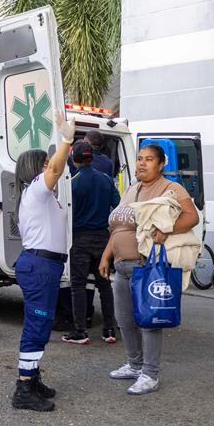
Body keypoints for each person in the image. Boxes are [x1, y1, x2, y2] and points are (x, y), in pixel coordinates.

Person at [100, 143, 199, 395]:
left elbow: (192, 216)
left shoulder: (170, 188)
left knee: (149, 320)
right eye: (140, 158)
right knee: (124, 319)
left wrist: (168, 228)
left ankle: (150, 374)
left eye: (149, 159)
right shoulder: (131, 189)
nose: (142, 163)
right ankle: (134, 365)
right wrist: (106, 256)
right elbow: (119, 228)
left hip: (146, 265)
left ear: (161, 164)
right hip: (121, 266)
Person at [11, 111, 75, 412]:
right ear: (37, 169)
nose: (51, 167)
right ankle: (24, 389)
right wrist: (66, 141)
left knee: (41, 323)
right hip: (39, 266)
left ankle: (32, 378)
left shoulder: (41, 195)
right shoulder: (37, 189)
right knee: (37, 326)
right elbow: (57, 168)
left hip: (44, 266)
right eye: (46, 163)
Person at [62, 140, 120, 345]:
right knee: (104, 285)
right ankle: (109, 329)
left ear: (73, 159)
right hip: (103, 238)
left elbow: (66, 213)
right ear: (92, 157)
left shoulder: (72, 183)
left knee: (78, 285)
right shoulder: (106, 179)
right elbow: (117, 205)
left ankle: (80, 331)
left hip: (80, 239)